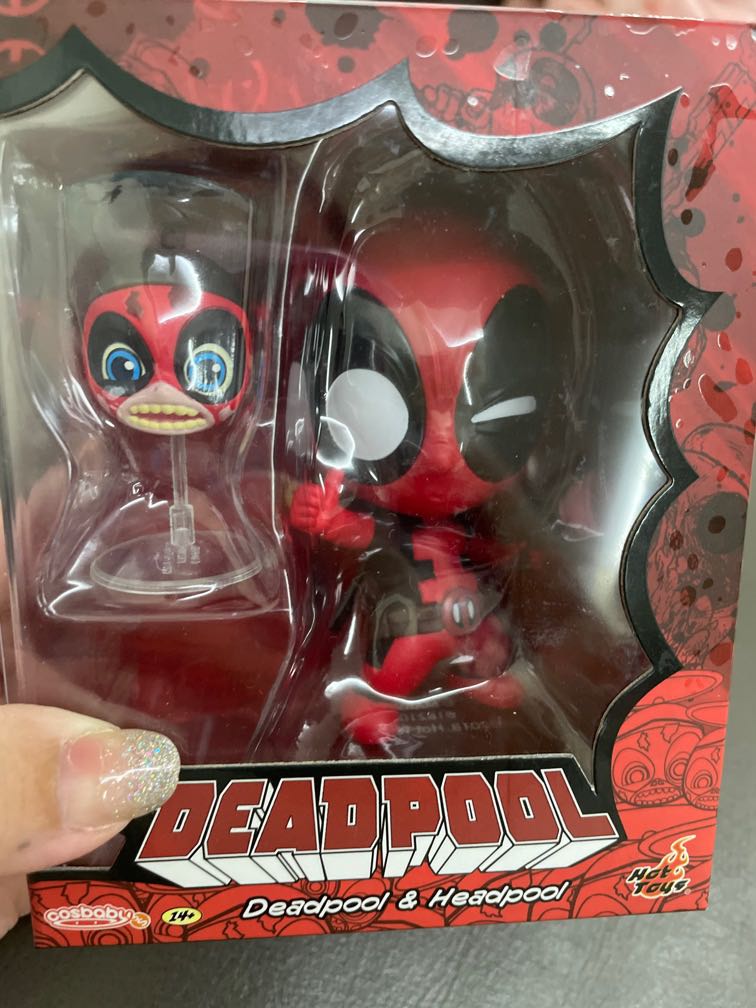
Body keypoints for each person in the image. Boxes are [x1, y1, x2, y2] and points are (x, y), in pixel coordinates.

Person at [0, 0, 747, 943]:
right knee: (399, 641)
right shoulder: (309, 473)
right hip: (368, 628)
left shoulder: (509, 512)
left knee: (475, 634)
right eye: (396, 398)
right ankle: (382, 702)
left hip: (468, 620)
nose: (440, 446)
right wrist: (325, 520)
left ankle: (461, 676)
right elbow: (343, 538)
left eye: (481, 409)